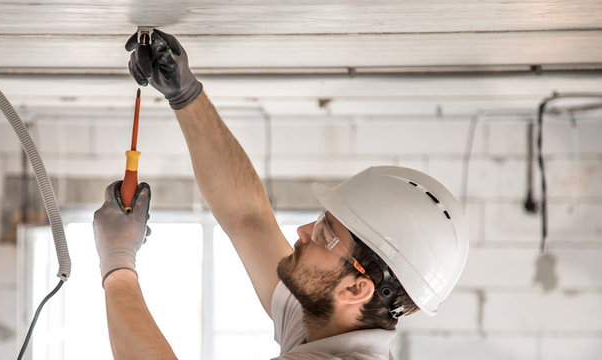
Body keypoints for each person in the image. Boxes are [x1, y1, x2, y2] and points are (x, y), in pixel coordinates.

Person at [93, 29, 469, 360]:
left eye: (325, 234)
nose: (304, 231)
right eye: (321, 221)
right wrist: (185, 95)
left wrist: (117, 263)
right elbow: (249, 220)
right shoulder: (329, 319)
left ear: (358, 287)